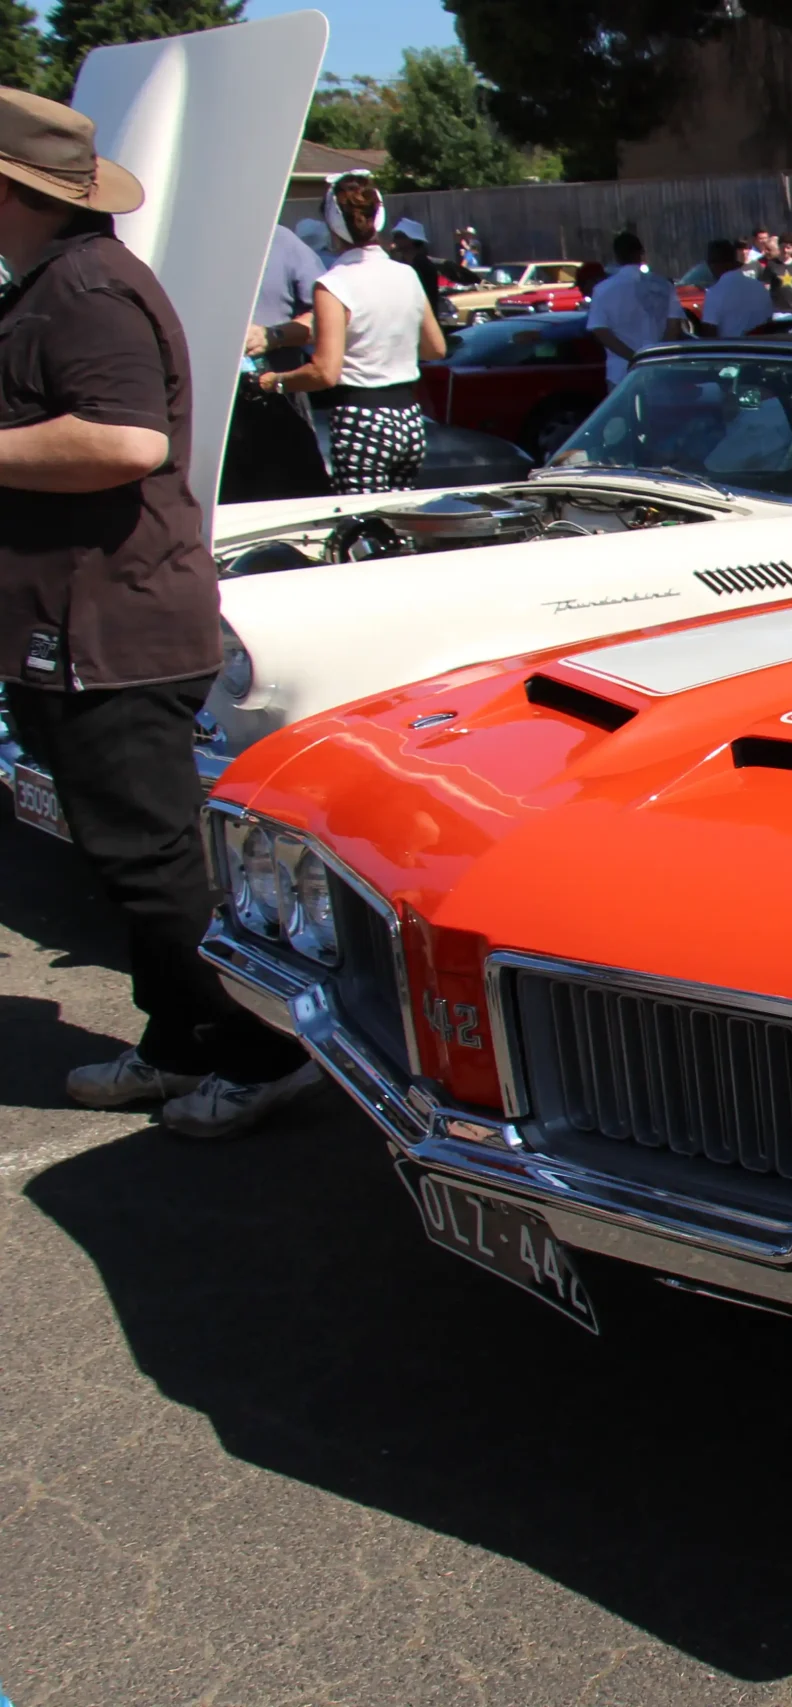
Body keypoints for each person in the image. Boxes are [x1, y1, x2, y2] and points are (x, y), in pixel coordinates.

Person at [0, 87, 318, 1136]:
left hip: (108, 630)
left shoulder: (84, 288)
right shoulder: (57, 284)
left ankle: (263, 1053)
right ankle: (182, 1041)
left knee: (153, 862)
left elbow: (126, 440)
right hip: (74, 627)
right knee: (126, 859)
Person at [257, 172, 443, 494]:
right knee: (399, 515)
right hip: (410, 418)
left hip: (362, 419)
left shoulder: (334, 284)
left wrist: (274, 381)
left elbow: (324, 372)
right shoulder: (406, 274)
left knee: (362, 519)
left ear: (331, 226)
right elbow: (434, 349)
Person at [224, 222, 330, 502]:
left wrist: (274, 336)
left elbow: (328, 318)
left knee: (292, 502)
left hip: (277, 402)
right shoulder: (185, 238)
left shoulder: (281, 241)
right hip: (209, 414)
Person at [584, 229, 682, 383]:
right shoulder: (664, 286)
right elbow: (674, 327)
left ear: (616, 256)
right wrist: (656, 358)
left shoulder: (602, 290)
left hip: (621, 373)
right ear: (641, 253)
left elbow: (601, 332)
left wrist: (635, 358)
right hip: (660, 370)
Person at [699, 237, 770, 338]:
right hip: (762, 346)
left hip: (732, 347)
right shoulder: (760, 288)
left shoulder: (714, 293)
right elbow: (769, 322)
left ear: (713, 265)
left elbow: (709, 333)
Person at [756, 228, 792, 313]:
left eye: (769, 249)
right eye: (783, 247)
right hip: (777, 311)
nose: (765, 252)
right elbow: (765, 287)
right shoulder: (767, 263)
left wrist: (787, 244)